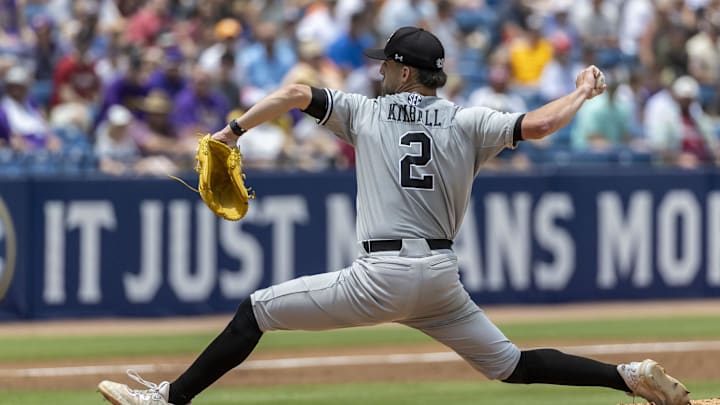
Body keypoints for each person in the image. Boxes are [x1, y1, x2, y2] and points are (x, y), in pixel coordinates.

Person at [97, 26, 690, 405]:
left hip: (382, 275)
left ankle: (167, 400)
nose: (379, 71)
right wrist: (583, 91)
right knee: (510, 366)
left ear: (405, 72)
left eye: (387, 65)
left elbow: (297, 92)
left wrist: (231, 132)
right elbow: (538, 125)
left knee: (254, 311)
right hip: (440, 278)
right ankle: (629, 377)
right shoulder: (466, 118)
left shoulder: (367, 112)